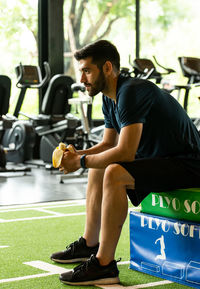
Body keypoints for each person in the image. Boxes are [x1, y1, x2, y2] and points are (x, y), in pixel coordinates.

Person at [50, 40, 200, 286]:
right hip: (160, 160)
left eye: (87, 70)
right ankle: (89, 243)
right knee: (99, 168)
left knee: (114, 172)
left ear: (107, 68)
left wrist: (81, 162)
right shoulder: (110, 98)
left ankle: (105, 265)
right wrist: (79, 155)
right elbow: (109, 145)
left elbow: (126, 152)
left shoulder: (131, 91)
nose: (82, 78)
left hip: (189, 164)